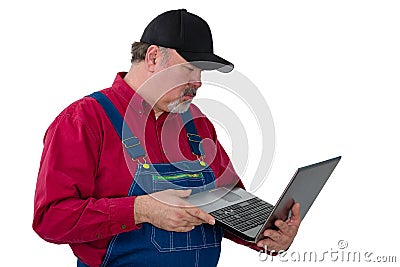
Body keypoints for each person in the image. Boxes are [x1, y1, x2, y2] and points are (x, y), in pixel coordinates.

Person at [33, 9, 301, 267]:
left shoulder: (197, 123)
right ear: (152, 58)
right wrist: (141, 209)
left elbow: (228, 202)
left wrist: (266, 235)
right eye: (189, 69)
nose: (198, 83)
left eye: (201, 72)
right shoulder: (85, 120)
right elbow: (50, 219)